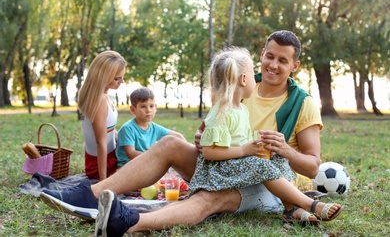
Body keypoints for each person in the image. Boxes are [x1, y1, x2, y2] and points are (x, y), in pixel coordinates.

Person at [40, 31, 343, 234]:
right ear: (262, 54)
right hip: (224, 165)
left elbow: (313, 166)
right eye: (270, 56)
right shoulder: (238, 82)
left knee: (211, 198)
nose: (273, 65)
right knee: (172, 142)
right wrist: (201, 140)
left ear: (295, 65)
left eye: (283, 60)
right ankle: (90, 194)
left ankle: (127, 221)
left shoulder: (302, 104)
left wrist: (286, 150)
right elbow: (215, 131)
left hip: (266, 179)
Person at [78, 50, 126, 181]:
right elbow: (101, 142)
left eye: (122, 77)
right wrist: (103, 181)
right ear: (103, 77)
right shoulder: (99, 100)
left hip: (112, 156)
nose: (121, 81)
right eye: (117, 78)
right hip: (102, 164)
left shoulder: (104, 95)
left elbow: (108, 130)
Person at [116, 87, 185, 168]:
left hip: (146, 163)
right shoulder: (128, 129)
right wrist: (154, 157)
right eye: (143, 107)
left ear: (155, 108)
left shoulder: (154, 128)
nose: (148, 110)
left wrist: (189, 150)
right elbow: (131, 153)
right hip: (127, 167)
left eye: (151, 106)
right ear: (133, 109)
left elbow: (177, 136)